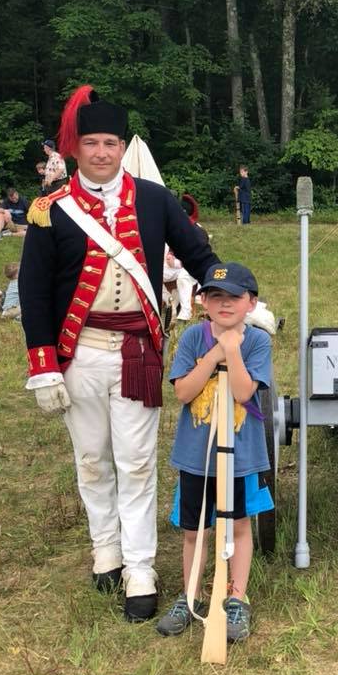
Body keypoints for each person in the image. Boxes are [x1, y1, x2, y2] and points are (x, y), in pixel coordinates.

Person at [18, 84, 222, 622]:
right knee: (90, 461)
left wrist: (232, 295)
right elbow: (36, 293)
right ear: (76, 148)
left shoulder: (153, 199)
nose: (103, 152)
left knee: (134, 463)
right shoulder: (49, 210)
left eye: (111, 141)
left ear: (120, 145)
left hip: (136, 352)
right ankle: (104, 551)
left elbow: (198, 254)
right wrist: (43, 366)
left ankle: (139, 568)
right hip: (77, 355)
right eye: (93, 143)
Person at [156, 261, 273, 641]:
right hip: (196, 457)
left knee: (239, 524)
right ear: (202, 301)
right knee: (195, 529)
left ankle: (236, 598)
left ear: (250, 303)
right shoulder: (192, 339)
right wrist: (213, 355)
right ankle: (189, 594)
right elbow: (183, 392)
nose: (224, 304)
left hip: (241, 457)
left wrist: (233, 351)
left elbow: (243, 392)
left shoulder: (258, 341)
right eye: (215, 296)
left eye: (234, 297)